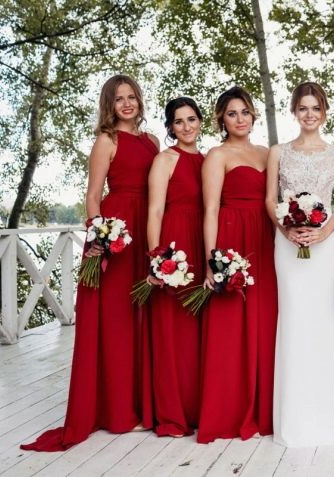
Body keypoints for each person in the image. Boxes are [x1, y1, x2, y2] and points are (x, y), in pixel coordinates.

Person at [21, 75, 159, 451]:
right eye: (119, 99)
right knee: (116, 322)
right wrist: (100, 238)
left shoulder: (152, 141)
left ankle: (146, 405)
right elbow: (94, 195)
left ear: (139, 100)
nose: (127, 104)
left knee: (144, 319)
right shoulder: (107, 141)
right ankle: (117, 411)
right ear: (109, 105)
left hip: (147, 228)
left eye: (131, 97)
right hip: (115, 234)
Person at [265, 81, 334, 447]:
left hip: (324, 244)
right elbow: (270, 199)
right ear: (294, 112)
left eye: (316, 108)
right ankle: (293, 417)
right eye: (303, 108)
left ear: (325, 111)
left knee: (321, 318)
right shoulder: (278, 152)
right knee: (293, 318)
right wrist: (286, 230)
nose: (310, 114)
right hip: (287, 244)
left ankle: (326, 415)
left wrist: (323, 233)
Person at [197, 87, 277, 443]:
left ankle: (266, 407)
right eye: (232, 113)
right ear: (222, 119)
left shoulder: (266, 153)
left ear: (253, 115)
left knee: (265, 320)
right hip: (232, 239)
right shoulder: (217, 155)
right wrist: (211, 261)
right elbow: (210, 209)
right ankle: (227, 409)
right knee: (230, 324)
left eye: (245, 112)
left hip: (265, 240)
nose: (240, 119)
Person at [144, 97, 204, 437]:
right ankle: (172, 412)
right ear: (170, 127)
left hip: (202, 244)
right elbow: (154, 211)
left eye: (191, 119)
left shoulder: (209, 160)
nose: (186, 127)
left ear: (200, 122)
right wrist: (157, 258)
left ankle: (199, 408)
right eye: (179, 121)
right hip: (175, 245)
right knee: (172, 329)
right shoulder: (164, 160)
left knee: (198, 331)